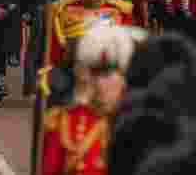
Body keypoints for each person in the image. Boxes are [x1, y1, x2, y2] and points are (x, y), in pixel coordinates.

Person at [40, 23, 144, 175]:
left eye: (107, 74)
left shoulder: (144, 124)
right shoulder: (65, 122)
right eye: (95, 74)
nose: (99, 83)